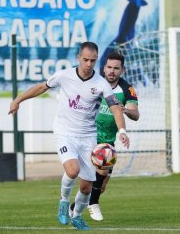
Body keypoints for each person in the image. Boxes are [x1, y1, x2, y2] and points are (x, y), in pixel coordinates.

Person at [9, 42, 130, 230]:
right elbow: (42, 87)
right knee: (72, 170)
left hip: (88, 136)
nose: (89, 64)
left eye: (93, 60)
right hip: (64, 132)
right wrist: (18, 100)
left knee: (86, 187)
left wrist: (122, 131)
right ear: (78, 58)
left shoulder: (101, 83)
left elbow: (115, 108)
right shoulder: (64, 76)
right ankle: (64, 201)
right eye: (86, 60)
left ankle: (77, 217)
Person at [70, 52, 139, 221]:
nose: (112, 71)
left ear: (122, 70)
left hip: (109, 139)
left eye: (116, 68)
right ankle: (93, 204)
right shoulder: (95, 84)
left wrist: (126, 110)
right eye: (109, 67)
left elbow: (135, 114)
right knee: (97, 174)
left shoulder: (126, 88)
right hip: (89, 135)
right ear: (104, 68)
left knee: (100, 186)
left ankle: (74, 207)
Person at [99, 0, 148, 71]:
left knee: (106, 59)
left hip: (124, 39)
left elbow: (142, 2)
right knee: (106, 59)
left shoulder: (134, 2)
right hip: (122, 37)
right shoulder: (131, 3)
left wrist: (137, 0)